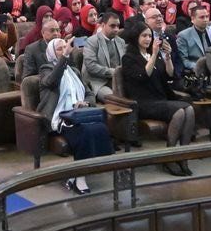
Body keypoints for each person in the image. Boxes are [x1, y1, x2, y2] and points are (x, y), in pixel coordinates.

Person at [37, 37, 113, 196]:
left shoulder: (75, 71)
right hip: (61, 117)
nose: (65, 50)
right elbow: (51, 82)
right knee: (85, 131)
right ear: (51, 52)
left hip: (79, 114)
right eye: (60, 48)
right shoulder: (46, 69)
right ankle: (80, 177)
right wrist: (64, 57)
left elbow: (89, 93)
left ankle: (77, 174)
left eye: (66, 47)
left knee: (100, 128)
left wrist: (85, 103)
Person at [119, 25, 196, 176]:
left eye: (149, 36)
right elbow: (143, 76)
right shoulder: (129, 58)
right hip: (143, 102)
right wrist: (154, 54)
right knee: (180, 112)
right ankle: (169, 155)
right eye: (144, 36)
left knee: (190, 109)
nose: (148, 39)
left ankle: (183, 155)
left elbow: (169, 75)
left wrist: (167, 58)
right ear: (136, 38)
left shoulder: (155, 54)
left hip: (160, 98)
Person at [81, 11, 124, 104]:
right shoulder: (92, 41)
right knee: (115, 100)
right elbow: (91, 66)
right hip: (97, 82)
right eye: (112, 26)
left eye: (118, 26)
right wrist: (114, 72)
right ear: (103, 25)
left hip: (118, 80)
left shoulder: (121, 41)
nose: (116, 29)